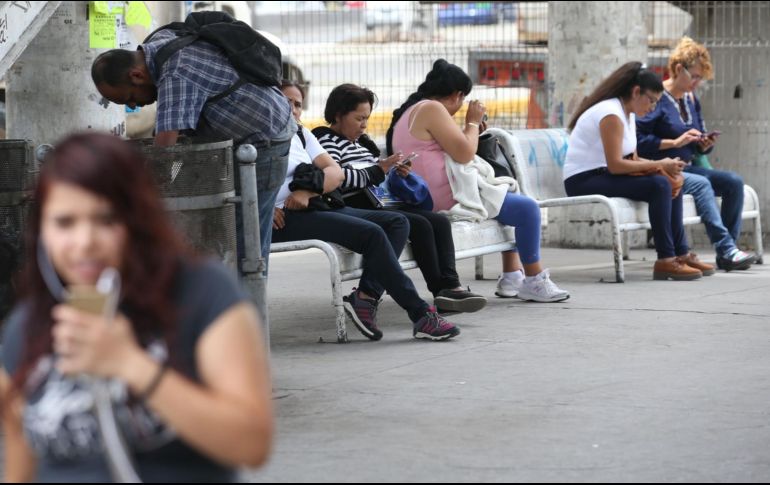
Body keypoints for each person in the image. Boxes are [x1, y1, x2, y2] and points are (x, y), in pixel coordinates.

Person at [1, 133, 273, 482]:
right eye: (65, 223)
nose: (85, 242)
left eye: (106, 219)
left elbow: (251, 443)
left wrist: (132, 365)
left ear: (138, 220)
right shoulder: (27, 327)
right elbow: (20, 467)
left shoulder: (201, 293)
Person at [90, 29, 295, 280]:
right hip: (239, 138)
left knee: (246, 243)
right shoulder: (159, 42)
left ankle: (250, 312)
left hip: (267, 141)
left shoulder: (176, 74)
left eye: (131, 98)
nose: (136, 106)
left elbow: (165, 154)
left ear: (136, 74)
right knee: (222, 231)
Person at [272, 82, 460, 341]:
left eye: (298, 104)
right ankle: (420, 314)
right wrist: (264, 208)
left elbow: (334, 173)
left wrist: (307, 193)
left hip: (315, 205)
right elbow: (238, 179)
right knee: (373, 232)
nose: (293, 110)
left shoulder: (301, 133)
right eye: (286, 102)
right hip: (282, 218)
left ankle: (366, 296)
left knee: (396, 222)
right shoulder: (257, 135)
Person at [386, 60, 570, 302]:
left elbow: (455, 149)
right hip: (444, 196)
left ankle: (513, 275)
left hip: (425, 195)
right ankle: (534, 280)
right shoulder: (431, 108)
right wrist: (472, 122)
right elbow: (464, 154)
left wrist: (472, 131)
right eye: (463, 101)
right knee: (527, 210)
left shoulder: (415, 109)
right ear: (457, 94)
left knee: (506, 200)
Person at [313, 83, 487, 313]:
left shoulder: (363, 143)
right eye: (359, 119)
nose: (364, 125)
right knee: (420, 225)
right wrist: (378, 171)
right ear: (338, 115)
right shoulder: (327, 140)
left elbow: (376, 174)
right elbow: (338, 179)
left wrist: (396, 171)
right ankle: (438, 289)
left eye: (367, 118)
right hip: (355, 203)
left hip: (379, 200)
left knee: (439, 221)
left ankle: (449, 286)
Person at [563, 61, 714, 281]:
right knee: (659, 183)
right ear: (636, 92)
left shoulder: (628, 113)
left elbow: (630, 158)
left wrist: (665, 166)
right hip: (583, 180)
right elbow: (616, 164)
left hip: (604, 174)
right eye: (651, 100)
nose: (652, 107)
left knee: (671, 178)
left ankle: (681, 254)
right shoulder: (611, 114)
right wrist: (659, 164)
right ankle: (666, 260)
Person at [636, 37, 756, 271]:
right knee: (702, 183)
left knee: (734, 182)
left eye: (700, 77)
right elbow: (639, 143)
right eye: (695, 76)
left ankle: (727, 252)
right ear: (679, 69)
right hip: (663, 167)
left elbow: (698, 137)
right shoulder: (656, 99)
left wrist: (704, 144)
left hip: (688, 165)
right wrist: (675, 141)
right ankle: (726, 247)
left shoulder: (691, 99)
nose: (697, 82)